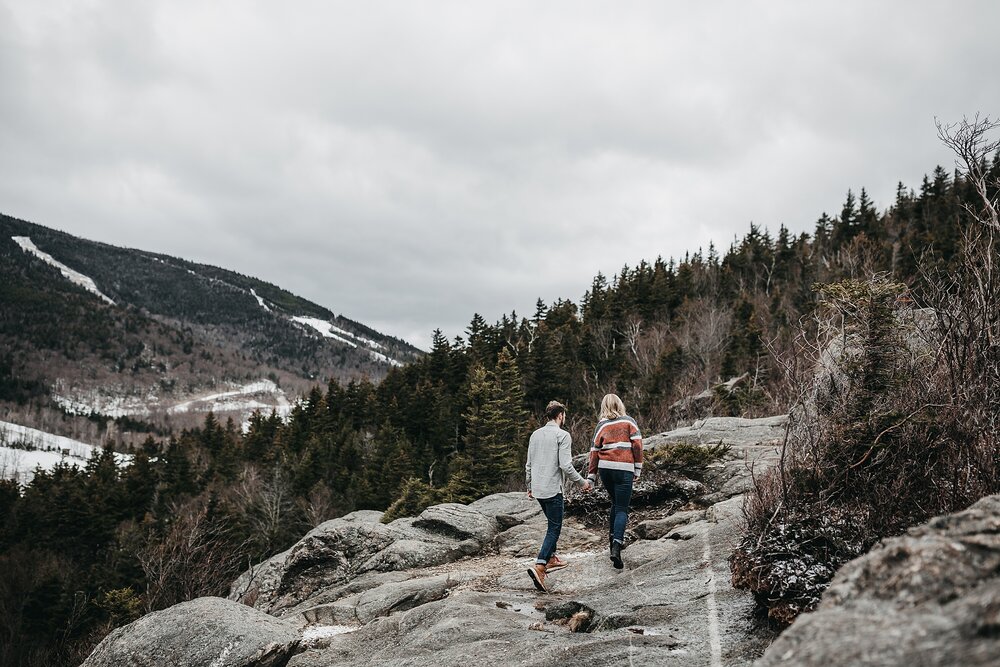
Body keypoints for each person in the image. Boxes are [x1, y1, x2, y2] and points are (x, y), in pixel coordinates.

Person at [525, 400, 593, 592]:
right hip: (553, 488)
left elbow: (529, 464)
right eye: (564, 415)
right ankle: (540, 565)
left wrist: (529, 485)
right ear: (560, 415)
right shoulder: (562, 435)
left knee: (551, 523)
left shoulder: (535, 435)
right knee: (554, 527)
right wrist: (583, 483)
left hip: (538, 488)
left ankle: (552, 558)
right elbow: (565, 465)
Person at [587, 393, 642, 569]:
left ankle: (612, 541)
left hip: (605, 470)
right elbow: (638, 445)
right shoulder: (629, 421)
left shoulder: (601, 425)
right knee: (622, 508)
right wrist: (638, 468)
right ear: (620, 405)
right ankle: (617, 546)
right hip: (624, 468)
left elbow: (594, 452)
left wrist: (591, 476)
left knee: (615, 503)